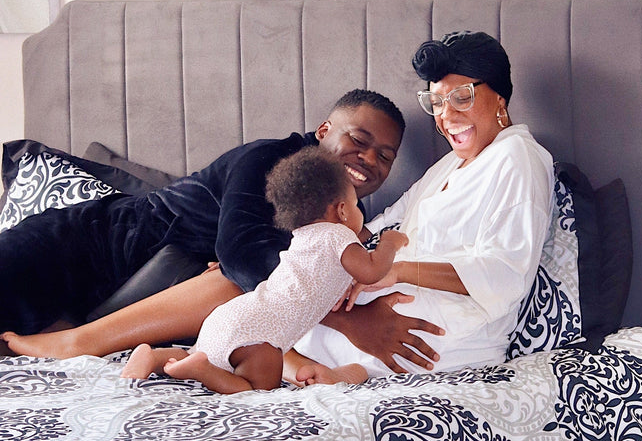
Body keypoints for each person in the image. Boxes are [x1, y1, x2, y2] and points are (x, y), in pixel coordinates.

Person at [2, 90, 444, 372]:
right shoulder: (272, 160)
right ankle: (75, 341)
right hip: (81, 249)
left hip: (132, 305)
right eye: (359, 140)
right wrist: (352, 320)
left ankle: (77, 340)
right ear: (323, 131)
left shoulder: (346, 216)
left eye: (385, 156)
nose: (369, 159)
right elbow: (243, 258)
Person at [287, 30, 554, 384]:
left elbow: (506, 272)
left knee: (285, 325)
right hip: (399, 296)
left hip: (454, 325)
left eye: (462, 97)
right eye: (438, 102)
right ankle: (333, 371)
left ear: (500, 99)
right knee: (285, 293)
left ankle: (327, 370)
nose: (447, 116)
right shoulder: (449, 165)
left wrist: (397, 272)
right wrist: (317, 255)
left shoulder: (518, 157)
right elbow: (382, 226)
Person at [120, 149, 407, 392]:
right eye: (357, 206)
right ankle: (202, 371)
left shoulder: (303, 237)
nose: (360, 214)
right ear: (343, 210)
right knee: (256, 389)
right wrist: (389, 244)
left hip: (232, 317)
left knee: (197, 351)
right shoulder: (337, 235)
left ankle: (155, 357)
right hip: (260, 334)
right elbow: (371, 271)